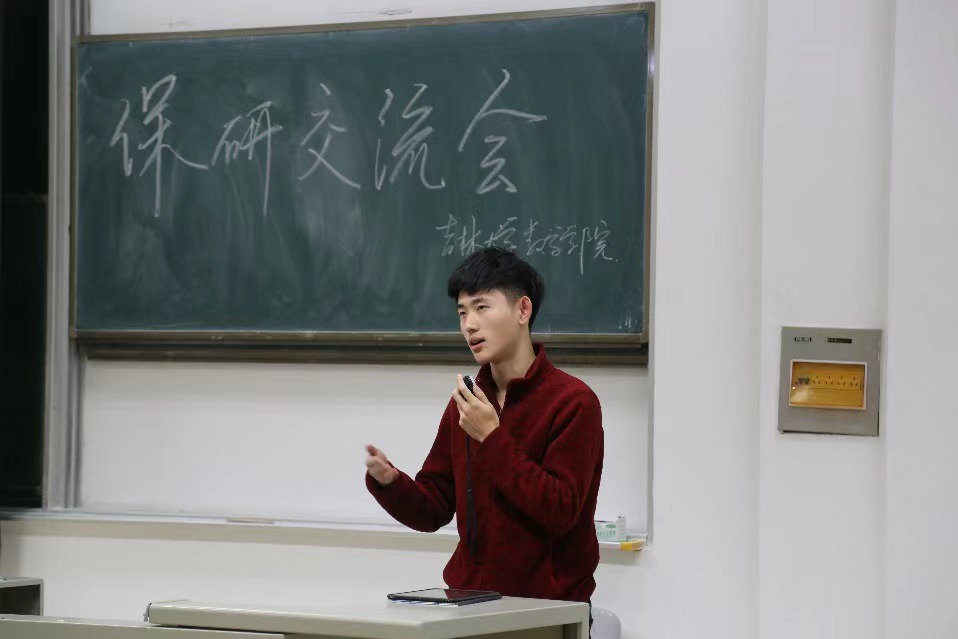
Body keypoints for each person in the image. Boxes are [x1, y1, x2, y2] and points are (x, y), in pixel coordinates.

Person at [365, 247, 603, 631]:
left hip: (546, 611)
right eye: (462, 312)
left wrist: (491, 437)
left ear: (523, 310)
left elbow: (559, 510)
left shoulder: (573, 402)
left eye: (481, 307)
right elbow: (434, 508)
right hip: (469, 605)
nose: (469, 325)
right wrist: (391, 483)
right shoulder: (468, 402)